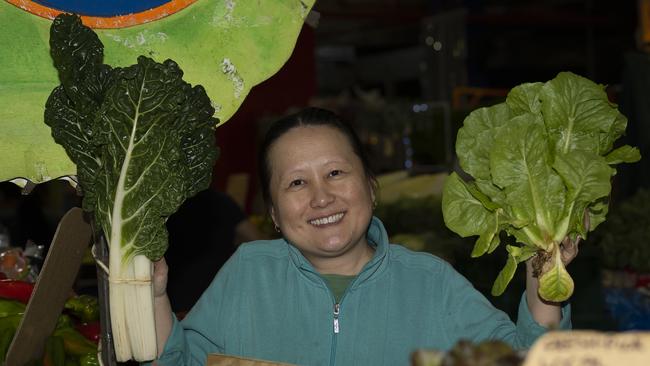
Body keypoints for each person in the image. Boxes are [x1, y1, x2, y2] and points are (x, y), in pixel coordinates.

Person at [149, 107, 577, 365]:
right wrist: (154, 294)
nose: (321, 197)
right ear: (274, 214)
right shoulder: (248, 272)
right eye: (296, 183)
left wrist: (545, 281)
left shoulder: (432, 282)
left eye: (335, 173)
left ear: (371, 187)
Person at [164, 188, 266, 314]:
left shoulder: (164, 206)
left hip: (173, 302)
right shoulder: (220, 200)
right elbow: (257, 241)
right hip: (217, 301)